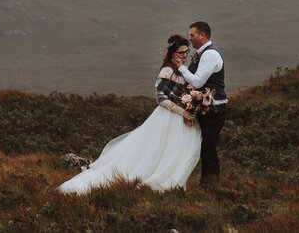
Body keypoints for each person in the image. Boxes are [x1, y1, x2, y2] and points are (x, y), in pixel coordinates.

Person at [57, 35, 201, 194]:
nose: (184, 56)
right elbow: (161, 99)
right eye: (181, 53)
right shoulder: (166, 71)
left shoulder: (184, 70)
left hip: (181, 117)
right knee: (158, 149)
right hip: (167, 117)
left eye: (186, 52)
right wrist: (183, 112)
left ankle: (176, 182)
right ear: (172, 53)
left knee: (178, 150)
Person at [176, 20, 228, 184]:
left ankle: (210, 183)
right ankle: (206, 182)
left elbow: (197, 82)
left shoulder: (210, 54)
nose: (189, 38)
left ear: (202, 35)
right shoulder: (202, 54)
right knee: (203, 145)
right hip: (206, 106)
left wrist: (180, 66)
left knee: (208, 146)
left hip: (215, 107)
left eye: (192, 35)